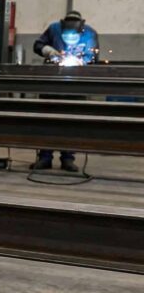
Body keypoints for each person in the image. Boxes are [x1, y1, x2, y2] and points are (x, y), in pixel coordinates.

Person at [31, 10, 100, 172]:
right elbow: (37, 45)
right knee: (48, 120)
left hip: (76, 85)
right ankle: (44, 157)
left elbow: (94, 57)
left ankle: (68, 158)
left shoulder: (90, 33)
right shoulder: (54, 29)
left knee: (71, 121)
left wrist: (82, 60)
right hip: (52, 83)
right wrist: (48, 50)